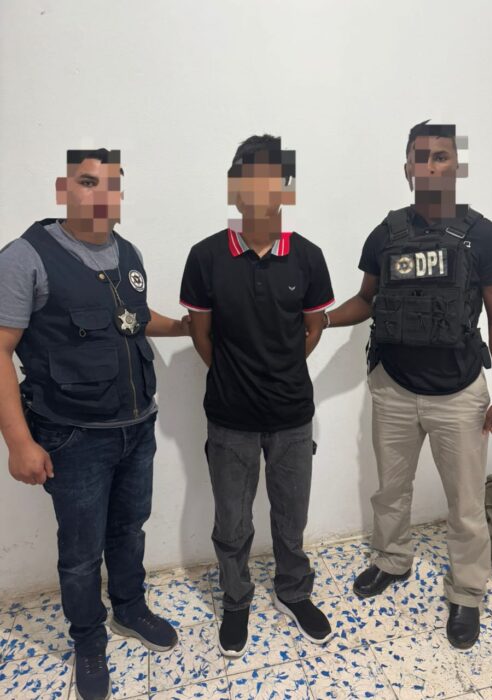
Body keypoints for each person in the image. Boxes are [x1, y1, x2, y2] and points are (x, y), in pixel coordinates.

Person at [0, 149, 190, 700]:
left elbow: (134, 318)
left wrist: (187, 326)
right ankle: (88, 640)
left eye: (111, 185)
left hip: (138, 426)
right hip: (74, 436)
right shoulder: (25, 257)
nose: (101, 194)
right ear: (64, 189)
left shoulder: (127, 252)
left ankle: (129, 608)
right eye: (87, 181)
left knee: (130, 530)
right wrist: (18, 441)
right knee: (81, 554)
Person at [325, 121, 492, 650]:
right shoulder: (386, 234)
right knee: (390, 490)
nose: (430, 166)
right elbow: (365, 300)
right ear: (407, 167)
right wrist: (321, 319)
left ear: (456, 165)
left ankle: (468, 592)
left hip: (459, 392)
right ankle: (392, 560)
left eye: (441, 156)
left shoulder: (484, 235)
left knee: (465, 504)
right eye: (421, 157)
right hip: (393, 387)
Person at [180, 135, 334, 657]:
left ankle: (294, 591)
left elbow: (313, 327)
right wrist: (235, 374)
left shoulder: (308, 256)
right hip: (230, 418)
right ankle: (236, 598)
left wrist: (281, 369)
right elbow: (201, 334)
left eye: (274, 179)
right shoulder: (205, 256)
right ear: (235, 188)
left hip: (293, 416)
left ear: (286, 188)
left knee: (292, 517)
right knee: (232, 522)